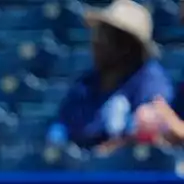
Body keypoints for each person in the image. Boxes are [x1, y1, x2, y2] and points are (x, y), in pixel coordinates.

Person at [47, 0, 169, 151]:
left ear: (127, 45)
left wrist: (120, 146)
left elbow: (152, 128)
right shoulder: (86, 84)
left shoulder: (150, 82)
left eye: (106, 34)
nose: (96, 42)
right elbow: (63, 127)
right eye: (98, 33)